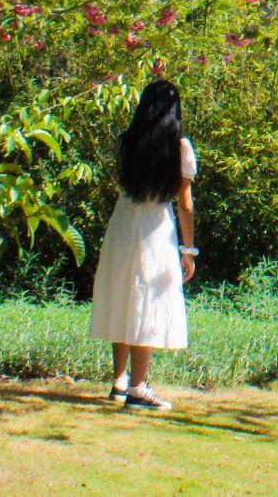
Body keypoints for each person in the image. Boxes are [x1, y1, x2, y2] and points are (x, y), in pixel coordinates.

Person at [88, 79, 196, 411]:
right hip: (155, 228)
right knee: (148, 301)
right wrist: (189, 251)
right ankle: (138, 386)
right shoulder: (179, 148)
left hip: (123, 224)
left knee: (123, 295)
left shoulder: (128, 142)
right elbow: (185, 204)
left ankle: (119, 380)